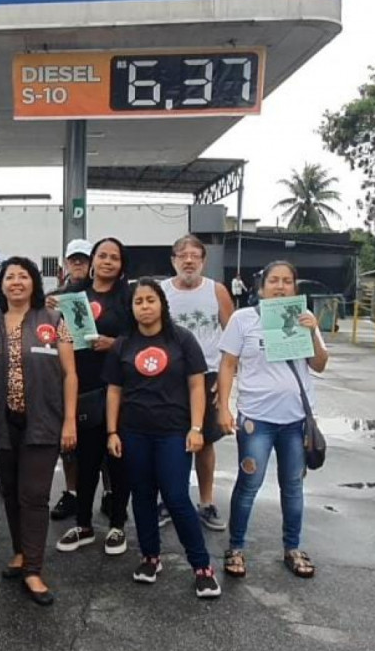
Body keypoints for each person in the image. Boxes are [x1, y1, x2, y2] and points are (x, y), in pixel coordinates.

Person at [0, 257, 77, 606]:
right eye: (9, 277)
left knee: (34, 495)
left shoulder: (55, 320)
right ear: (0, 285)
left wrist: (70, 420)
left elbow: (70, 374)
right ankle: (19, 551)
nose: (16, 282)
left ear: (33, 282)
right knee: (10, 490)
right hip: (0, 421)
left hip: (44, 419)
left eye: (23, 276)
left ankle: (33, 568)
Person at [104, 278, 221, 598]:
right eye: (138, 302)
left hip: (174, 432)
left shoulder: (182, 339)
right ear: (131, 307)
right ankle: (150, 558)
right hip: (133, 432)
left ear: (161, 304)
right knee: (141, 496)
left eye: (150, 300)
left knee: (176, 497)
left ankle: (202, 567)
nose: (144, 307)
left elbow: (197, 385)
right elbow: (114, 391)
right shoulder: (123, 344)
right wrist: (112, 431)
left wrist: (196, 429)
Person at [218, 260, 329, 581]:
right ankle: (235, 547)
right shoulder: (243, 320)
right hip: (256, 421)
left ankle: (292, 548)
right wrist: (223, 407)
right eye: (274, 281)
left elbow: (319, 365)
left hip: (295, 422)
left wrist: (313, 333)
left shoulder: (304, 319)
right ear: (261, 286)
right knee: (249, 484)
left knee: (293, 487)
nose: (280, 286)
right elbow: (228, 365)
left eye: (287, 281)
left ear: (295, 287)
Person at [55, 238, 134, 557]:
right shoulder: (74, 298)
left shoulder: (129, 298)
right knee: (85, 461)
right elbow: (64, 339)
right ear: (91, 261)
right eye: (102, 256)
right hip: (84, 387)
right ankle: (84, 524)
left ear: (121, 264)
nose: (107, 262)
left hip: (121, 390)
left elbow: (143, 340)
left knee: (118, 462)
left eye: (114, 257)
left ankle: (117, 525)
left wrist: (113, 344)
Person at [160, 235, 235, 532]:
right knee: (169, 442)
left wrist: (225, 381)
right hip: (169, 377)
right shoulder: (161, 292)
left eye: (195, 255)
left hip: (207, 376)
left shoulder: (217, 291)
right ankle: (167, 500)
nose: (188, 260)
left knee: (205, 443)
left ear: (203, 261)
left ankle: (206, 503)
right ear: (173, 261)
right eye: (182, 255)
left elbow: (233, 337)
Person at [46, 238, 94, 522]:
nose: (78, 263)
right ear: (65, 263)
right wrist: (45, 307)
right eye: (73, 259)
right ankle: (72, 492)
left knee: (101, 442)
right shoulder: (53, 297)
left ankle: (111, 493)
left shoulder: (103, 293)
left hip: (97, 373)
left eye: (83, 259)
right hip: (63, 375)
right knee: (69, 441)